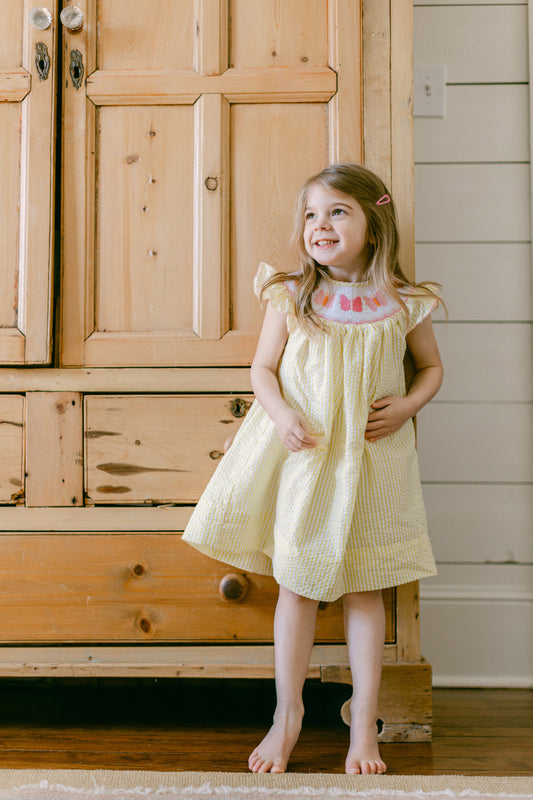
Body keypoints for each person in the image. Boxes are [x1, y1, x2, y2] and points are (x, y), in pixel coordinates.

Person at [183, 162, 444, 775]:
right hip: (310, 458)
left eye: (336, 212)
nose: (319, 226)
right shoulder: (292, 293)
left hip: (375, 463)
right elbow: (263, 369)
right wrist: (278, 415)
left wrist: (407, 404)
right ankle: (288, 715)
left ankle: (365, 728)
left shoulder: (405, 303)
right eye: (310, 215)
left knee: (365, 585)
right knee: (297, 582)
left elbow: (431, 369)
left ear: (374, 225)